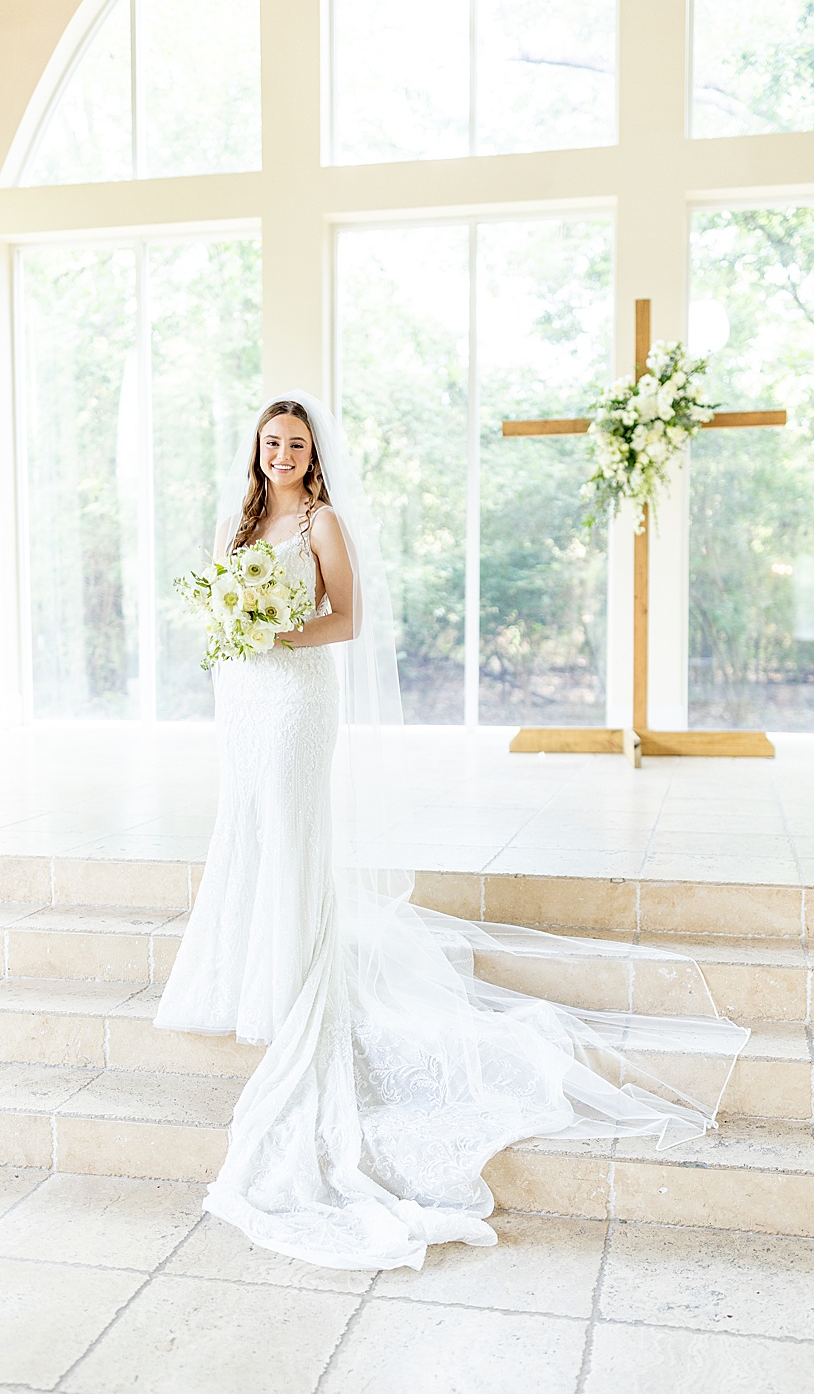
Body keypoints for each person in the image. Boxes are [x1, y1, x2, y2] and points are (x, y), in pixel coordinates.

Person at [158, 392, 747, 1271]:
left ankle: (291, 971)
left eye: (296, 443)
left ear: (313, 454)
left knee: (288, 826)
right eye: (271, 441)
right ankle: (245, 968)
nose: (281, 453)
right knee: (246, 824)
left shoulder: (323, 522)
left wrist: (276, 628)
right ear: (257, 448)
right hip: (244, 695)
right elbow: (216, 604)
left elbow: (347, 619)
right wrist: (231, 626)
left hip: (295, 696)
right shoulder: (239, 521)